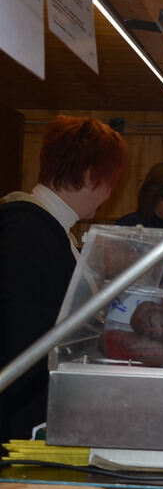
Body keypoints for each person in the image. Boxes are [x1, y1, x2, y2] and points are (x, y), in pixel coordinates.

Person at [0, 116, 127, 443]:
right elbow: (20, 337)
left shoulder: (50, 229)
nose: (109, 193)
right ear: (88, 175)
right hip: (18, 424)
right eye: (109, 181)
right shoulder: (27, 233)